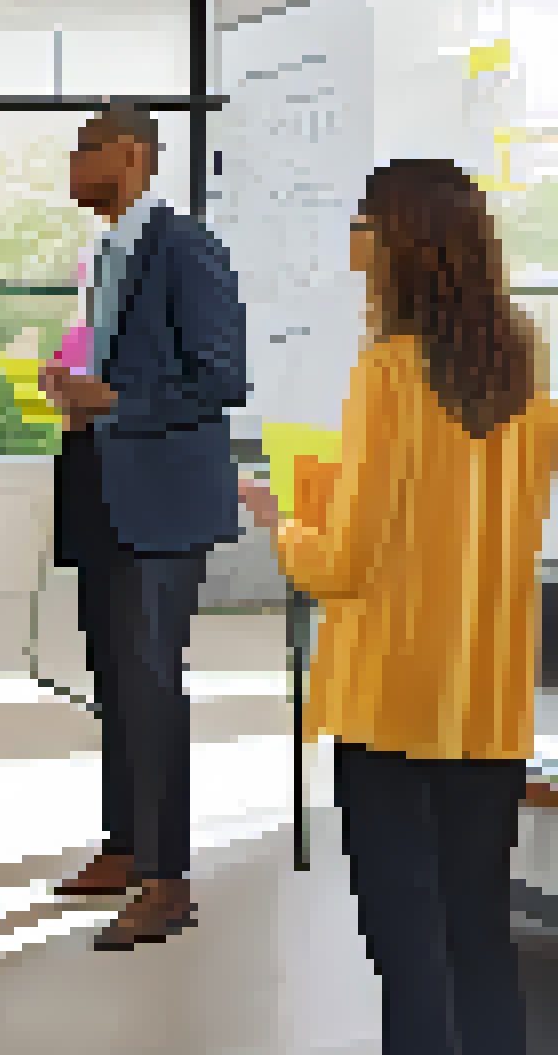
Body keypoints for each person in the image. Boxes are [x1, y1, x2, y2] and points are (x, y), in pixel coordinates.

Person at [242, 159, 554, 1055]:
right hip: (489, 704)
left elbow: (343, 564)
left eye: (361, 224)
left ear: (399, 247)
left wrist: (285, 520)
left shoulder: (387, 373)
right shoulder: (526, 372)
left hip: (391, 704)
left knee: (408, 955)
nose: (350, 241)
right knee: (480, 940)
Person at [38, 106, 248, 951]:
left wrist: (117, 403)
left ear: (130, 155)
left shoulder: (185, 247)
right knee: (115, 681)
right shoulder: (104, 254)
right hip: (100, 488)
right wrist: (75, 384)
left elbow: (223, 378)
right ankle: (125, 847)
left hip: (160, 505)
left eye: (83, 152)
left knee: (151, 683)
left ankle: (167, 880)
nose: (72, 168)